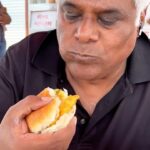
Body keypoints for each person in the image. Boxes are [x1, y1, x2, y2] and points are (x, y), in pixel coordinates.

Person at [0, 0, 150, 149]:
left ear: (141, 19)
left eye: (108, 20)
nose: (84, 34)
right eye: (70, 14)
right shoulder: (20, 60)